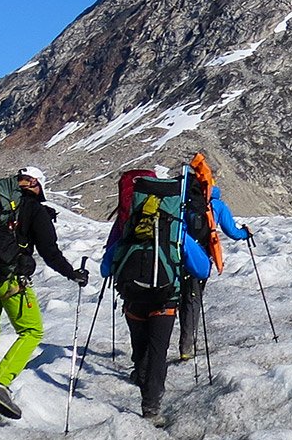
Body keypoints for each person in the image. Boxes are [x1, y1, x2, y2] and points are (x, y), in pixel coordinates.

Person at [0, 165, 89, 430]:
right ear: (37, 185)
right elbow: (50, 252)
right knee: (32, 330)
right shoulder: (34, 209)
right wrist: (72, 274)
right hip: (9, 280)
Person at [101, 179, 211, 426]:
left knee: (140, 346)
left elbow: (105, 268)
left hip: (132, 299)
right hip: (165, 300)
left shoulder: (130, 229)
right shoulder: (176, 232)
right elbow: (202, 269)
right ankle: (150, 406)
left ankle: (140, 376)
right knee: (158, 351)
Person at [179, 178, 252, 361]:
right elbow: (233, 232)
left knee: (176, 299)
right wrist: (245, 233)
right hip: (200, 258)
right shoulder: (216, 205)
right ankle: (186, 347)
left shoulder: (180, 201)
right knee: (193, 300)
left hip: (175, 255)